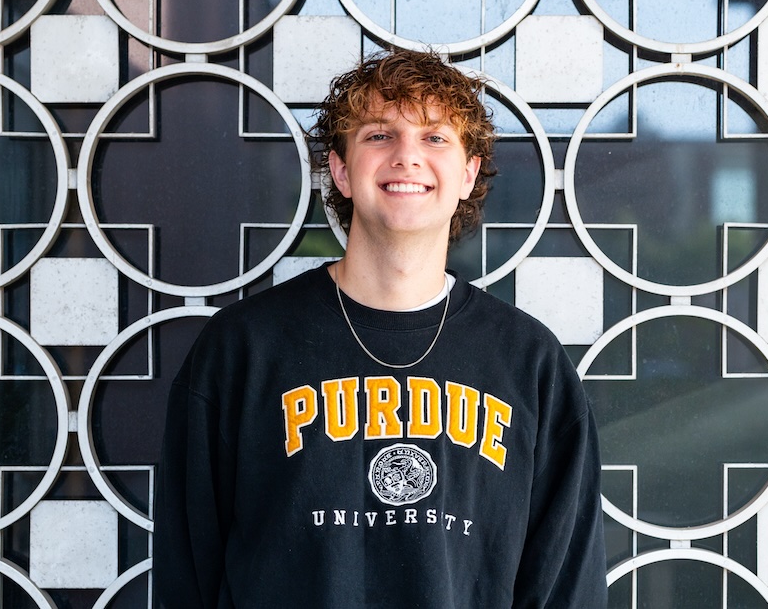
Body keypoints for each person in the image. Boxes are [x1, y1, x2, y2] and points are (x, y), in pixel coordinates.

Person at [155, 49, 606, 608]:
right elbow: (186, 573)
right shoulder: (240, 349)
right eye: (378, 135)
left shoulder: (530, 363)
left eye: (435, 138)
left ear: (467, 175)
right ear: (341, 171)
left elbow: (566, 586)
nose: (407, 157)